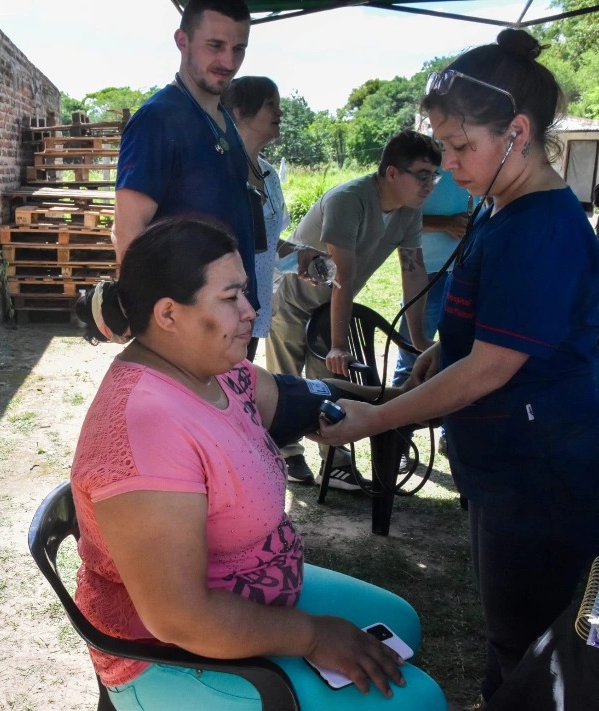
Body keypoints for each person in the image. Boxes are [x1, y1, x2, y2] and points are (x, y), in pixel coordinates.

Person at [313, 29, 599, 710]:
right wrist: (444, 346)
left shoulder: (543, 229)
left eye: (462, 146)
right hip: (504, 466)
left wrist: (375, 418)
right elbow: (487, 329)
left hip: (542, 478)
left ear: (518, 133)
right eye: (442, 146)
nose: (448, 164)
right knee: (510, 626)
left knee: (529, 640)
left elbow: (492, 369)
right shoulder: (503, 207)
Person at [70, 217, 448, 711]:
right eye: (231, 298)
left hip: (251, 596)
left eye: (247, 292)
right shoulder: (148, 427)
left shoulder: (216, 371)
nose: (252, 311)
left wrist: (390, 403)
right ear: (168, 314)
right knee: (419, 701)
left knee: (403, 622)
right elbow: (179, 617)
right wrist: (311, 636)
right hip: (170, 651)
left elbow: (295, 398)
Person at [266, 130, 441, 487]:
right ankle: (285, 454)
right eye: (422, 176)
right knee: (286, 380)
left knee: (330, 386)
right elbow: (341, 277)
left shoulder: (409, 212)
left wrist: (421, 338)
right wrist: (338, 343)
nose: (430, 186)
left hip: (332, 304)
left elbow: (413, 272)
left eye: (434, 177)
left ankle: (337, 460)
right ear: (392, 173)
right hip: (294, 299)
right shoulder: (351, 199)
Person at [113, 0, 263, 350]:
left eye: (238, 49)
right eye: (215, 46)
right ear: (182, 41)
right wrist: (146, 323)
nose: (228, 62)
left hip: (235, 314)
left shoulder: (224, 118)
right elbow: (128, 230)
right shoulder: (157, 119)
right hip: (189, 328)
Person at [391, 170, 471, 456]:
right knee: (412, 358)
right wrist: (445, 224)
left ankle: (452, 438)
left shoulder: (483, 160)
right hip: (425, 274)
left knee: (459, 358)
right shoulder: (427, 162)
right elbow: (400, 214)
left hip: (465, 275)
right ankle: (398, 440)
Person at [222, 76, 290, 360]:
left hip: (255, 307)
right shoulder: (220, 171)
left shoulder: (269, 174)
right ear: (239, 112)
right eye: (270, 104)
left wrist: (302, 257)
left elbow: (267, 241)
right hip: (224, 308)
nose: (280, 112)